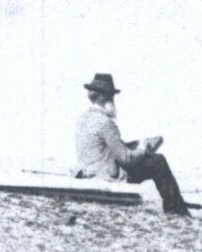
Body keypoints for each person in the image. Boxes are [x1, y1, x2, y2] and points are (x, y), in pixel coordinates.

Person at [74, 72, 190, 216]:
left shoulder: (84, 119)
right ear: (104, 97)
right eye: (111, 96)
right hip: (105, 174)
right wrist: (142, 148)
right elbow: (126, 160)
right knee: (158, 161)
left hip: (89, 170)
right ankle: (176, 210)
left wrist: (132, 146)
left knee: (151, 160)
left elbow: (106, 148)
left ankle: (176, 203)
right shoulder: (106, 122)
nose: (113, 100)